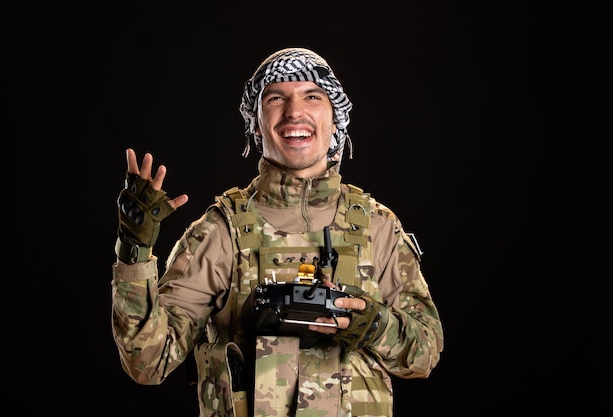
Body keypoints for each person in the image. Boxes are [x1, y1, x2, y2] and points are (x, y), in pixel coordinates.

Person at [111, 47, 444, 417]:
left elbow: (425, 353)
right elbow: (149, 363)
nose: (294, 112)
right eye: (276, 98)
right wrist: (134, 253)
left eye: (312, 96)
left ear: (335, 118)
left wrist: (373, 324)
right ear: (256, 122)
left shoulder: (377, 227)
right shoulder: (221, 233)